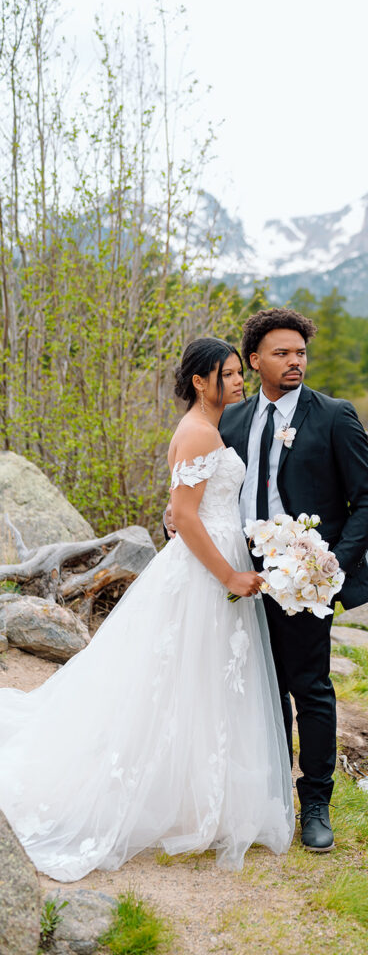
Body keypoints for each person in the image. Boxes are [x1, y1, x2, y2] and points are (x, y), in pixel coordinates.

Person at [0, 338, 294, 882]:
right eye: (227, 374)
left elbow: (177, 506)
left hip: (211, 562)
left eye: (237, 372)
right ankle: (183, 800)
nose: (237, 381)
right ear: (200, 382)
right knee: (183, 678)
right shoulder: (201, 431)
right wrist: (230, 574)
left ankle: (202, 796)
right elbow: (185, 517)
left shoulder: (203, 427)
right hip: (208, 572)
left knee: (203, 680)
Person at [218, 307, 368, 852]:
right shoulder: (232, 420)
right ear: (255, 360)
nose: (295, 362)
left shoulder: (335, 415)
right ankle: (262, 798)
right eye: (283, 353)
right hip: (241, 576)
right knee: (252, 689)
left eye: (301, 353)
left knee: (309, 689)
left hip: (306, 581)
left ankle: (314, 804)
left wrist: (330, 566)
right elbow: (214, 492)